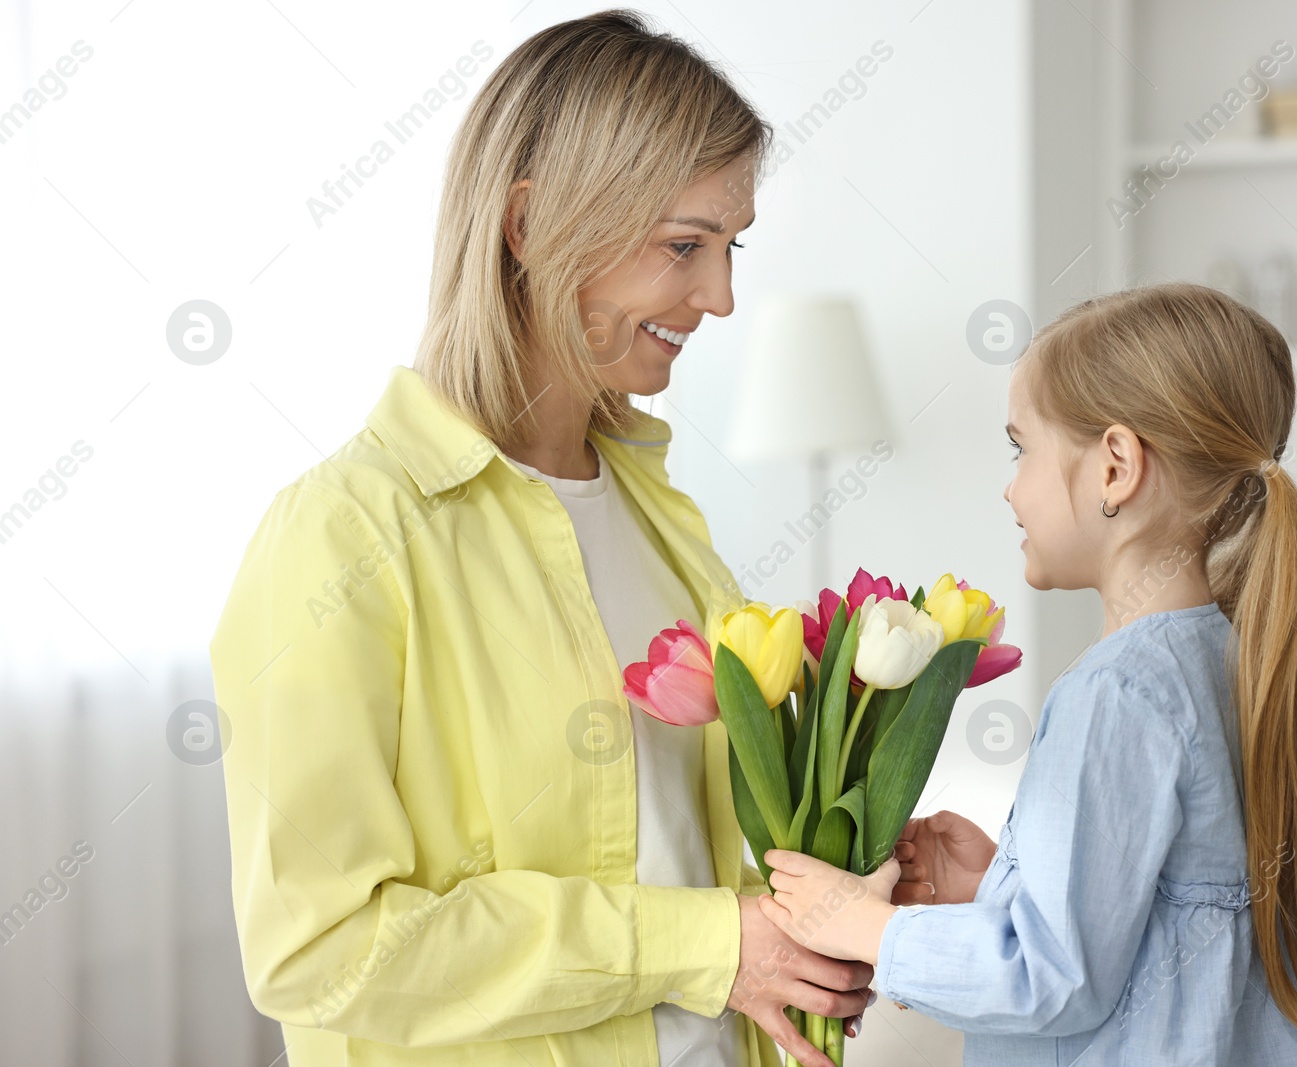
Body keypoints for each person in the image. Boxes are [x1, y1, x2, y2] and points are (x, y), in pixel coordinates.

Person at [209, 11, 870, 1067]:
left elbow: (678, 853)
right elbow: (319, 947)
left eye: (729, 247)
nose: (722, 296)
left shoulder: (663, 517)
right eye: (684, 246)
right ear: (528, 225)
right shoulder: (343, 535)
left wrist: (829, 906)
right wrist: (707, 943)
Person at [756, 283, 1297, 1065]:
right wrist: (1003, 884)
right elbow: (1166, 926)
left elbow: (1051, 978)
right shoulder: (1227, 656)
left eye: (1021, 447)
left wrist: (862, 925)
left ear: (1115, 466)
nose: (1010, 486)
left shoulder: (1116, 692)